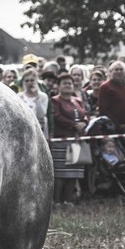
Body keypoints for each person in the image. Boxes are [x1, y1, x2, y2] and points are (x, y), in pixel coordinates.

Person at [51, 73, 89, 204]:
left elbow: (85, 114)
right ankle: (57, 201)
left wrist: (84, 122)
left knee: (74, 172)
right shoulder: (55, 100)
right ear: (58, 86)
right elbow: (57, 116)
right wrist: (74, 125)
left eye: (70, 83)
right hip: (62, 139)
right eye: (64, 83)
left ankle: (68, 200)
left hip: (77, 140)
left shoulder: (77, 100)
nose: (68, 85)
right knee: (61, 173)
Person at [97, 61, 125, 132]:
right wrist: (117, 125)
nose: (119, 72)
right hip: (113, 129)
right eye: (116, 69)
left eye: (121, 69)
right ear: (110, 71)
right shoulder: (105, 87)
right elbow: (103, 110)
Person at [18, 68, 50, 139]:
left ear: (36, 81)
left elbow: (41, 114)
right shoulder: (20, 96)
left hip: (40, 129)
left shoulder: (43, 96)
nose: (29, 83)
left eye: (32, 80)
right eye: (27, 81)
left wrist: (37, 98)